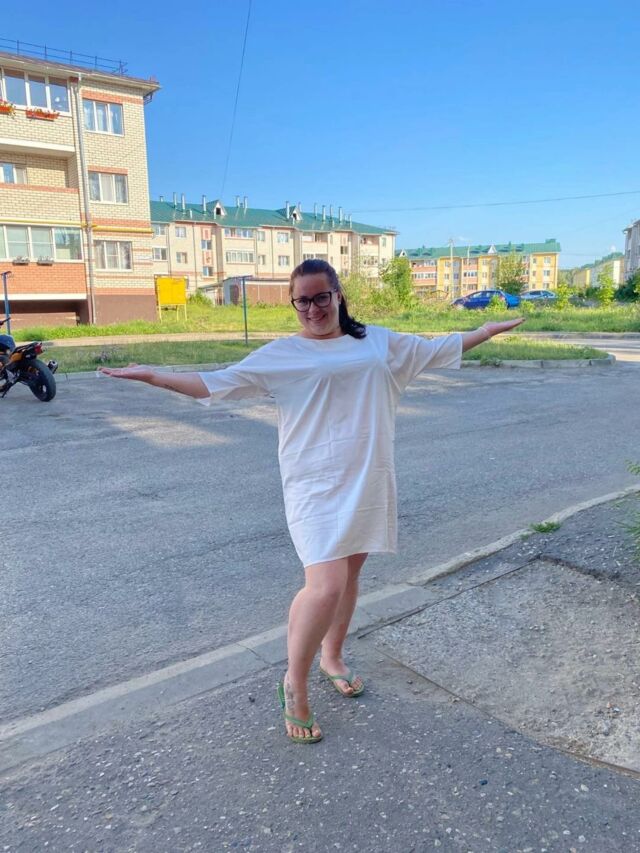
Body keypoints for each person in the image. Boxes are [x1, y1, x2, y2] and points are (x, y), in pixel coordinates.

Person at [100, 259, 523, 745]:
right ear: (293, 303)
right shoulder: (283, 354)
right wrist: (154, 376)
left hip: (367, 477)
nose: (313, 308)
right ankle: (294, 682)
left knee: (350, 576)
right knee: (325, 585)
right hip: (314, 484)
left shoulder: (378, 343)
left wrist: (485, 330)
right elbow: (215, 382)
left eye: (321, 297)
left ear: (338, 294)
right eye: (302, 300)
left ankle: (332, 656)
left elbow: (434, 349)